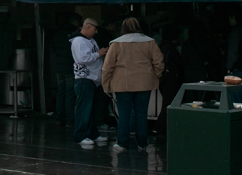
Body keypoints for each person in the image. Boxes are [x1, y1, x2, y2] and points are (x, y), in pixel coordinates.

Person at [102, 18, 165, 152]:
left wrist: (106, 84)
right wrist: (155, 75)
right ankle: (142, 143)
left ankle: (122, 143)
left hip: (122, 84)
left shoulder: (116, 43)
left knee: (124, 114)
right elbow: (159, 62)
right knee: (141, 113)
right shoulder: (150, 42)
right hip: (144, 84)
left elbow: (107, 66)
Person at [72, 18, 108, 148]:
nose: (96, 31)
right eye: (95, 28)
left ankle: (92, 132)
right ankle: (80, 134)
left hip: (94, 79)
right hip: (84, 78)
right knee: (84, 108)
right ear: (87, 26)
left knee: (93, 108)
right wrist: (98, 54)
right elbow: (83, 58)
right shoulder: (78, 41)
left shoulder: (90, 40)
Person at [52, 13, 82, 127]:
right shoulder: (75, 34)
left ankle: (60, 118)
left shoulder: (58, 33)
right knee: (70, 94)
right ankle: (69, 119)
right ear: (75, 22)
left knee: (61, 93)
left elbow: (53, 48)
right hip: (70, 66)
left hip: (59, 67)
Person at [155, 25, 184, 137]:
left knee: (166, 102)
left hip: (162, 78)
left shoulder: (161, 47)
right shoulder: (171, 49)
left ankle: (160, 126)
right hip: (170, 79)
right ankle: (161, 127)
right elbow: (179, 64)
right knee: (169, 103)